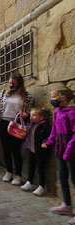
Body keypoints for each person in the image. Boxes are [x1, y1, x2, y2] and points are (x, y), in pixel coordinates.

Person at [0, 73, 34, 185]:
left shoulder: (27, 96)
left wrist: (26, 114)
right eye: (10, 83)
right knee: (5, 149)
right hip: (3, 123)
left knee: (16, 150)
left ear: (20, 84)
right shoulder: (4, 93)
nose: (11, 85)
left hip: (16, 124)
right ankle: (9, 171)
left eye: (14, 84)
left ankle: (18, 175)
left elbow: (30, 111)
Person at [41, 88, 75, 224]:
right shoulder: (57, 112)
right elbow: (54, 131)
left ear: (62, 98)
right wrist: (48, 142)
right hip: (61, 152)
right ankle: (67, 206)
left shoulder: (72, 113)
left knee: (74, 180)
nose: (52, 99)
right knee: (62, 178)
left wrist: (69, 151)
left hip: (71, 153)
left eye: (54, 96)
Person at [21, 107, 51, 196]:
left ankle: (42, 186)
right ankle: (30, 182)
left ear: (41, 117)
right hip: (32, 150)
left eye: (34, 115)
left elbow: (49, 136)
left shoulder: (45, 126)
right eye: (31, 115)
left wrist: (45, 142)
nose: (31, 117)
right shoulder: (31, 124)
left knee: (41, 169)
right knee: (31, 167)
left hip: (40, 151)